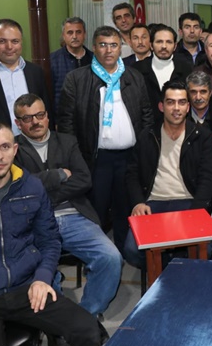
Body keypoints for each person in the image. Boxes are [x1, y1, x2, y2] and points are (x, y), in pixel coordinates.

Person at [0, 121, 100, 346]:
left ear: (15, 150)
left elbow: (50, 240)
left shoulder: (32, 186)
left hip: (27, 288)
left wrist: (42, 278)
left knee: (88, 330)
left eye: (5, 147)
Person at [13, 94, 120, 344]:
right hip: (35, 222)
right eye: (27, 118)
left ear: (47, 116)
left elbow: (84, 180)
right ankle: (60, 322)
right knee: (43, 273)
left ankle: (86, 315)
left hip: (74, 215)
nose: (35, 122)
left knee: (110, 257)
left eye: (40, 115)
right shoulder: (13, 149)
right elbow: (18, 186)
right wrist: (59, 174)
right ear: (18, 123)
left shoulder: (67, 141)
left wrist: (42, 193)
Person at [57, 25, 153, 253]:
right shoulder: (76, 79)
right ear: (94, 47)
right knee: (96, 210)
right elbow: (66, 123)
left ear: (121, 48)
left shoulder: (134, 77)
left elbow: (146, 115)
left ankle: (124, 253)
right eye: (103, 45)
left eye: (113, 45)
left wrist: (144, 151)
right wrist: (74, 159)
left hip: (129, 158)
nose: (108, 50)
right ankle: (99, 255)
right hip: (95, 160)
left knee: (125, 209)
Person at [125, 80, 212, 269]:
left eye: (182, 102)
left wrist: (197, 210)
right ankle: (173, 271)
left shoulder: (202, 136)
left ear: (188, 107)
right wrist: (138, 202)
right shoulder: (147, 135)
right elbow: (132, 173)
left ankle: (170, 271)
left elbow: (208, 178)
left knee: (204, 249)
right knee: (132, 251)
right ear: (161, 106)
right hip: (153, 204)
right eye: (170, 102)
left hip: (189, 203)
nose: (176, 108)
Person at [132, 24, 193, 123]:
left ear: (175, 46)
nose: (164, 46)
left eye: (168, 42)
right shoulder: (137, 70)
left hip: (179, 126)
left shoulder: (186, 68)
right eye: (159, 42)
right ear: (151, 45)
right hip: (147, 127)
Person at [50, 17, 93, 113]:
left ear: (85, 34)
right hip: (63, 117)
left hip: (91, 116)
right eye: (70, 32)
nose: (74, 36)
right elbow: (50, 96)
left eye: (78, 32)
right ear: (63, 35)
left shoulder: (95, 60)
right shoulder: (52, 61)